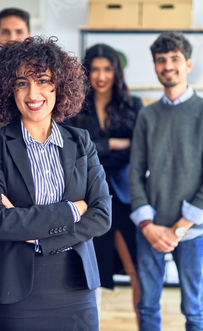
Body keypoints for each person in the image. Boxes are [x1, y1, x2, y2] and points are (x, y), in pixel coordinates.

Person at [0, 36, 112, 330]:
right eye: (22, 82)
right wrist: (72, 210)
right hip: (13, 290)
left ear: (59, 85)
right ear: (8, 89)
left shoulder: (81, 142)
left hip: (76, 285)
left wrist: (36, 234)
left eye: (43, 80)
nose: (33, 93)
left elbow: (101, 216)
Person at [129, 31, 203, 331]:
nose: (167, 66)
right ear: (155, 66)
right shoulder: (147, 115)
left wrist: (181, 227)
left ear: (188, 64)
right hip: (152, 227)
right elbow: (135, 172)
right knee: (147, 304)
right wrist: (148, 225)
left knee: (193, 306)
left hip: (192, 230)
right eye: (161, 61)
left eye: (174, 59)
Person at [66, 43, 142, 321]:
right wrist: (112, 143)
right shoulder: (75, 106)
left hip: (124, 196)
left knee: (136, 270)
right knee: (91, 270)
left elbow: (139, 149)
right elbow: (74, 149)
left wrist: (98, 147)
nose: (100, 75)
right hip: (88, 195)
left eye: (107, 69)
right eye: (94, 69)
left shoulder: (133, 105)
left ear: (116, 71)